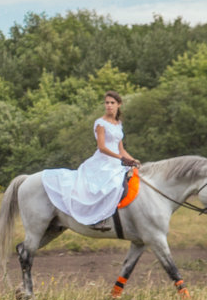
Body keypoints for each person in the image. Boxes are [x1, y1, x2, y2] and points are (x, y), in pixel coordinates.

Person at [41, 91, 141, 230]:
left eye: (112, 103)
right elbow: (102, 147)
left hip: (117, 161)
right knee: (110, 185)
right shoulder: (100, 123)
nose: (109, 106)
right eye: (107, 103)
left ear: (119, 104)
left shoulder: (118, 124)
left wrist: (133, 160)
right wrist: (122, 159)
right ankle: (97, 219)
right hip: (103, 161)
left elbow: (121, 148)